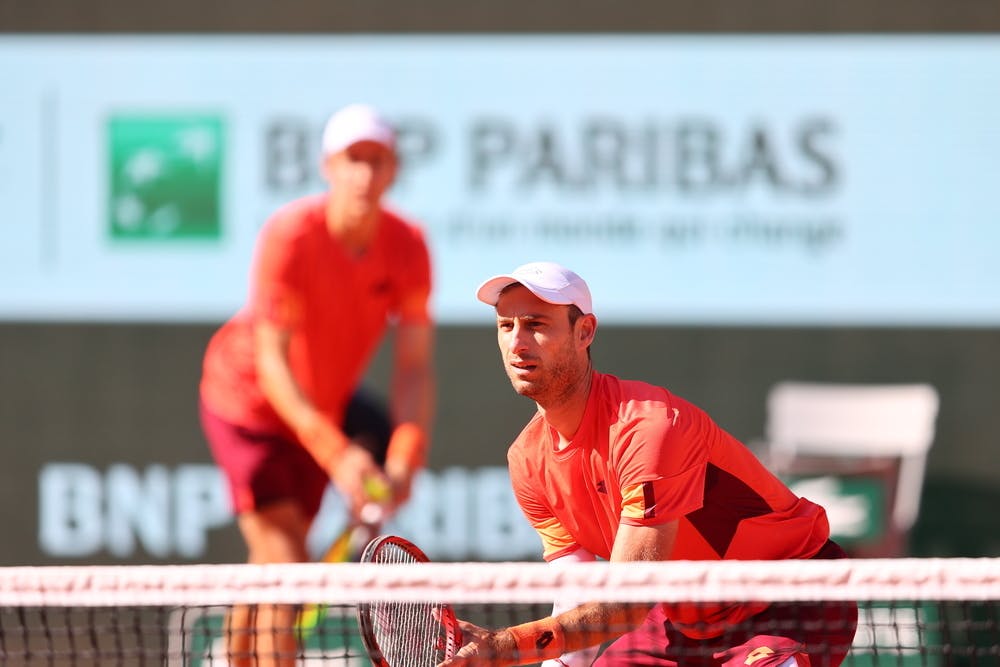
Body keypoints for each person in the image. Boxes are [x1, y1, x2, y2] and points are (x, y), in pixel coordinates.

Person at [441, 261, 857, 667]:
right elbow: (578, 591)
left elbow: (625, 605)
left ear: (584, 332)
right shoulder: (527, 460)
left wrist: (511, 645)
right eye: (505, 326)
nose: (517, 343)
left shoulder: (648, 428)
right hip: (680, 618)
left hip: (789, 597)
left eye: (536, 324)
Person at [199, 103, 435, 667]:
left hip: (319, 415)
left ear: (394, 169)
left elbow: (416, 367)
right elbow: (273, 364)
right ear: (328, 165)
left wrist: (403, 457)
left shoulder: (409, 246)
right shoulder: (290, 236)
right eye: (353, 159)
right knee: (285, 560)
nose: (365, 174)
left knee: (272, 566)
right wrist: (337, 454)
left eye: (377, 161)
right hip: (248, 405)